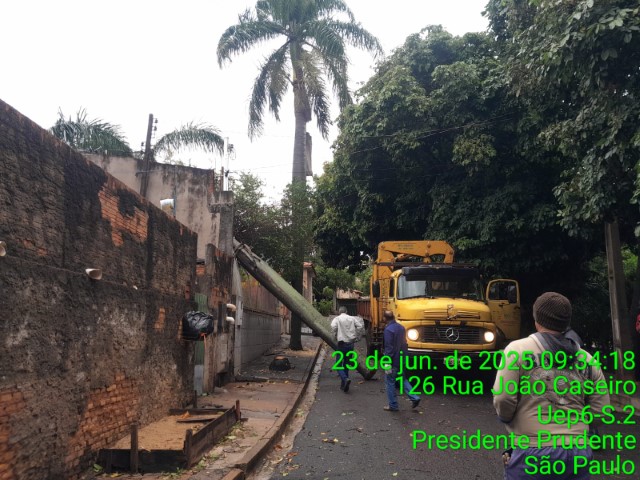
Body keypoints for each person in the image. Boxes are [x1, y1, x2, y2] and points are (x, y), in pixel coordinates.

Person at [493, 292, 610, 480]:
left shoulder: (517, 350)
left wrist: (507, 419)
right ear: (567, 322)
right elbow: (601, 411)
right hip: (577, 452)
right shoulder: (587, 360)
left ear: (537, 318)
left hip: (532, 449)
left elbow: (503, 398)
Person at [382, 310, 420, 411]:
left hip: (392, 361)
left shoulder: (388, 330)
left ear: (385, 318)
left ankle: (393, 405)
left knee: (390, 382)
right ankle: (414, 397)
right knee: (403, 379)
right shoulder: (401, 328)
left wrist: (387, 362)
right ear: (393, 317)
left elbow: (389, 348)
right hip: (401, 359)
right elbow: (404, 344)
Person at [331, 306, 364, 393]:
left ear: (339, 312)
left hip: (341, 344)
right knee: (346, 364)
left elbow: (333, 326)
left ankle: (345, 379)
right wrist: (356, 336)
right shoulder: (352, 318)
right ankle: (344, 386)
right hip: (350, 344)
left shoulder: (337, 319)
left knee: (338, 364)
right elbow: (360, 326)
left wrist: (336, 334)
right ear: (346, 311)